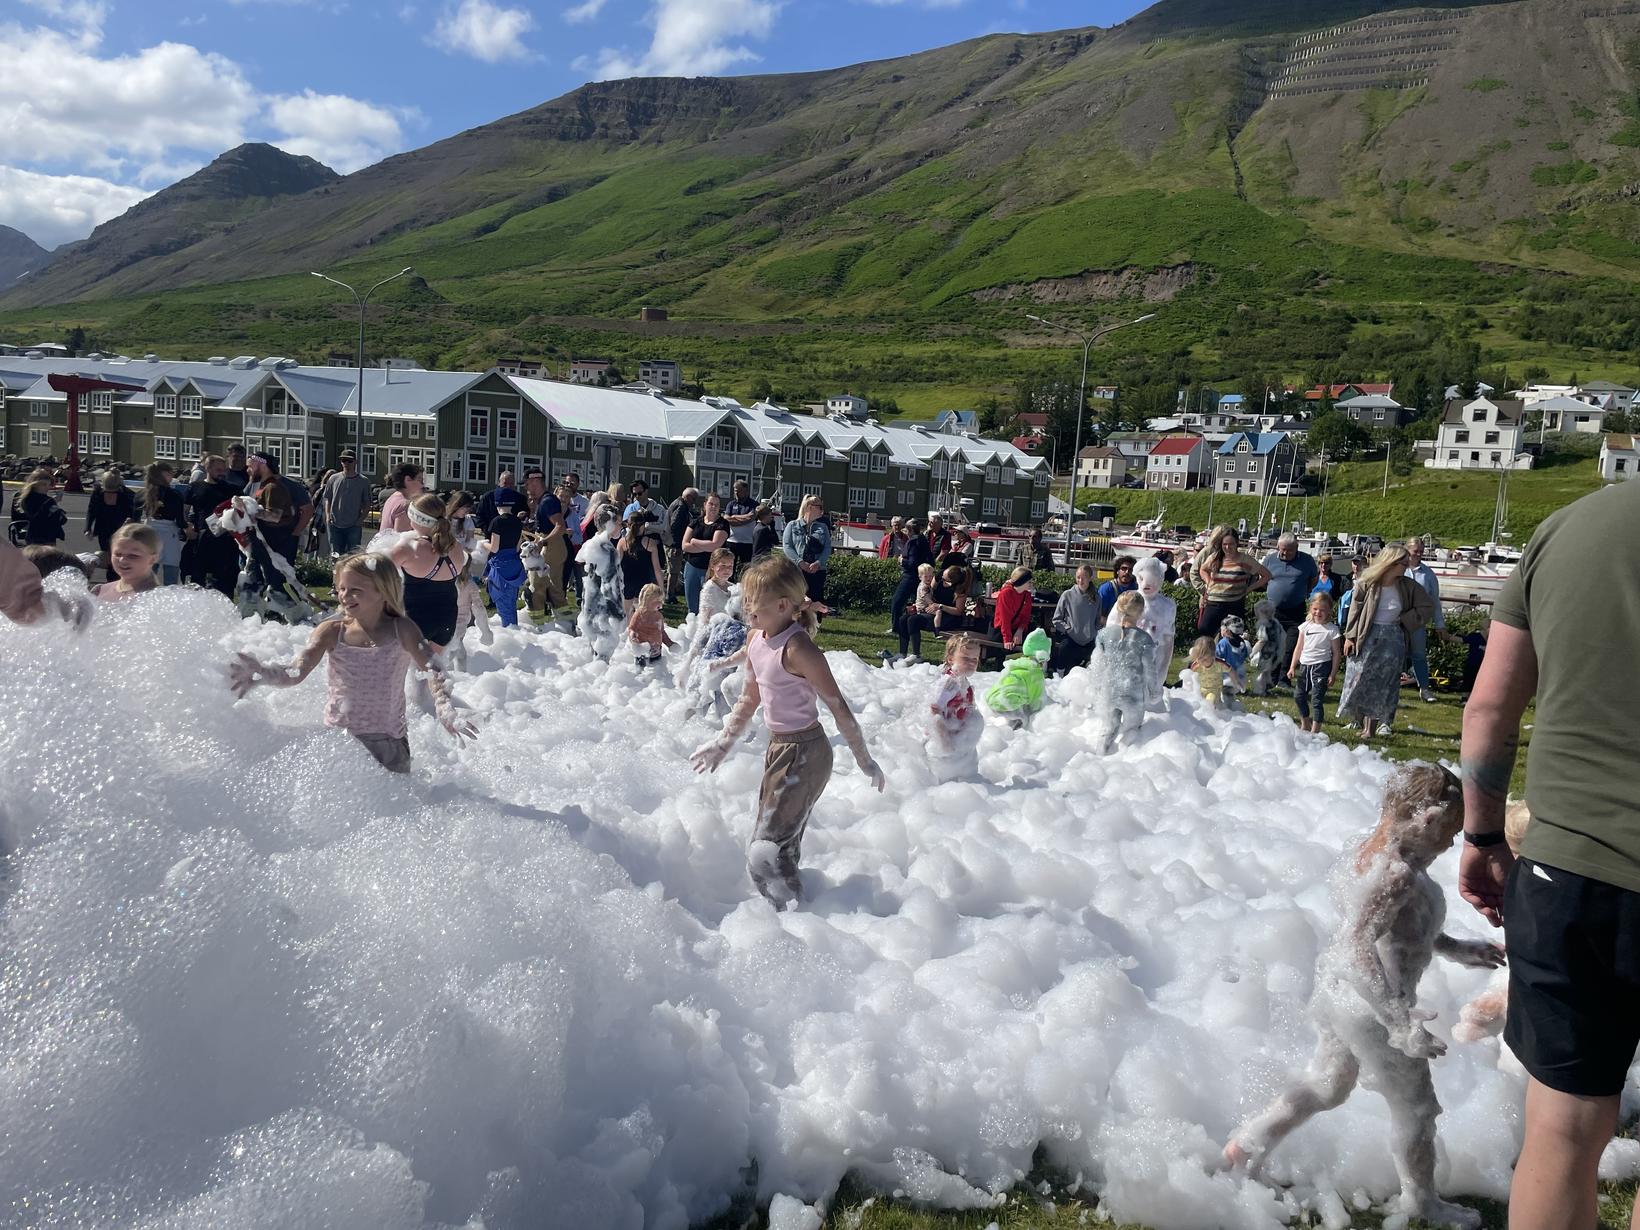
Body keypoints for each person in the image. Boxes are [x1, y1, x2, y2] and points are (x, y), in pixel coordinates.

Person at [1456, 476, 1640, 1230]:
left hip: (1570, 870)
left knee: (1561, 1129)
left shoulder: (1568, 529)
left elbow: (1490, 708)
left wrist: (1483, 836)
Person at [1224, 765, 1500, 1230]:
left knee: (1328, 1085)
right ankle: (1422, 1203)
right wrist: (1398, 1021)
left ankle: (1243, 1149)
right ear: (1426, 820)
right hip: (1370, 1007)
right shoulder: (1396, 874)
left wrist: (1455, 949)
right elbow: (1358, 945)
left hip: (1341, 995)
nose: (1452, 843)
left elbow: (1401, 933)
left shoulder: (1377, 854)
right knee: (1417, 1107)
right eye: (1450, 832)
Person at [692, 554, 884, 907]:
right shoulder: (756, 637)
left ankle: (794, 918)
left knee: (765, 850)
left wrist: (864, 759)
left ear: (783, 605)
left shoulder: (799, 650)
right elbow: (749, 701)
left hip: (808, 753)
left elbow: (838, 707)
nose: (747, 610)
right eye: (746, 601)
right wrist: (723, 743)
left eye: (754, 604)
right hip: (779, 748)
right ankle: (790, 914)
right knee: (777, 847)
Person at [227, 551, 476, 773]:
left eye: (356, 589)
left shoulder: (403, 629)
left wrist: (444, 707)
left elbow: (433, 669)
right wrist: (262, 673)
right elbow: (296, 671)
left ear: (383, 590)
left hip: (388, 741)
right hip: (338, 738)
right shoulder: (332, 631)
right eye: (342, 588)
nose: (345, 595)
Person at [1337, 544, 1435, 738]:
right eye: (1403, 563)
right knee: (1359, 679)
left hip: (1393, 638)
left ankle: (1371, 729)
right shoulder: (1367, 583)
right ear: (1390, 563)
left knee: (1383, 683)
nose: (1406, 567)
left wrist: (1406, 620)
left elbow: (1426, 607)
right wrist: (1350, 636)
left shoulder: (1408, 586)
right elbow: (1354, 611)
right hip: (1367, 635)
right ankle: (1357, 720)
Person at [385, 493, 466, 652]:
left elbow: (373, 569)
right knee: (434, 671)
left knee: (404, 673)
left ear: (414, 518)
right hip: (447, 621)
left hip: (415, 622)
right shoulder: (456, 547)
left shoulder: (409, 549)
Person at [1262, 533, 1319, 689]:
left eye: (1289, 550)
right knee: (1273, 644)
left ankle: (1284, 678)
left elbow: (1314, 580)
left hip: (1295, 610)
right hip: (1274, 610)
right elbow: (1263, 577)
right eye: (1282, 550)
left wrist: (1304, 591)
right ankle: (1271, 678)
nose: (1285, 553)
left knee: (1290, 646)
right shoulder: (1270, 560)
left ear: (1297, 548)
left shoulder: (1307, 561)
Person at [1193, 524, 1271, 636]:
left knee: (1232, 637)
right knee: (1204, 632)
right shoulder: (1215, 557)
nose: (1228, 547)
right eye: (1225, 544)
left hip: (1234, 604)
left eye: (1231, 544)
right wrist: (1208, 582)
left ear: (1237, 543)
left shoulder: (1245, 559)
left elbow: (1267, 575)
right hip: (1213, 602)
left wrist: (1249, 589)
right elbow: (1203, 570)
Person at [926, 633, 984, 784]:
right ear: (951, 659)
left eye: (975, 659)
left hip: (959, 739)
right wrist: (944, 742)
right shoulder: (949, 683)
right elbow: (934, 710)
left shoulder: (963, 681)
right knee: (944, 780)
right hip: (944, 742)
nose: (971, 663)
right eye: (965, 658)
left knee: (967, 777)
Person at [679, 548, 737, 687]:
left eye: (730, 566)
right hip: (711, 635)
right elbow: (705, 619)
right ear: (713, 566)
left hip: (728, 634)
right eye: (722, 566)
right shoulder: (709, 589)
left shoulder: (733, 587)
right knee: (704, 672)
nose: (727, 570)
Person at [187, 454, 242, 597]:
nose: (222, 473)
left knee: (225, 579)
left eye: (224, 470)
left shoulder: (233, 490)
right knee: (198, 576)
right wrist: (186, 526)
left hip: (226, 539)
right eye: (218, 470)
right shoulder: (195, 487)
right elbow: (185, 509)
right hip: (202, 538)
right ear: (208, 469)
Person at [1288, 592, 1343, 734]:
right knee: (1299, 695)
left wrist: (1333, 674)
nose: (1318, 612)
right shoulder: (1305, 627)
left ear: (1329, 611)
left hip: (1321, 667)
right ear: (1310, 609)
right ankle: (1305, 722)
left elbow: (1337, 653)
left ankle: (1315, 730)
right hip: (1305, 666)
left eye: (1322, 610)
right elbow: (1298, 647)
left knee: (1316, 699)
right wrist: (1293, 666)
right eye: (1315, 609)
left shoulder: (1332, 629)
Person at [1402, 537, 1445, 703]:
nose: (1419, 554)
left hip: (1417, 621)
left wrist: (1439, 624)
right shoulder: (1400, 569)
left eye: (1421, 551)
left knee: (1419, 654)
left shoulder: (1427, 574)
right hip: (1397, 619)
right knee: (1396, 654)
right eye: (1415, 551)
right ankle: (1391, 686)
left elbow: (1434, 601)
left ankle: (1424, 688)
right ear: (1408, 551)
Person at [984, 628, 1051, 730]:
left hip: (991, 700)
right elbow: (1036, 700)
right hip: (1007, 706)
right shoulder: (1035, 673)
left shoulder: (1018, 664)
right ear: (1043, 656)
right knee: (1023, 722)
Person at [890, 517, 934, 655]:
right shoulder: (923, 540)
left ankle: (897, 628)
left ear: (909, 530)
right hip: (919, 577)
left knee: (897, 602)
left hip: (910, 576)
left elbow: (913, 563)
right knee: (917, 604)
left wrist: (902, 561)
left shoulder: (914, 542)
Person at [525, 472, 567, 615]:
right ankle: (563, 621)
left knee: (539, 586)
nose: (526, 487)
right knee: (547, 587)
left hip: (550, 547)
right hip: (547, 545)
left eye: (527, 483)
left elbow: (560, 526)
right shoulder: (544, 500)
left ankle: (542, 624)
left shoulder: (547, 501)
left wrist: (543, 541)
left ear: (536, 482)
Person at [682, 492, 730, 615]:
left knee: (709, 607)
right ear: (705, 505)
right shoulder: (695, 522)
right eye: (711, 504)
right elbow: (685, 546)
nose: (713, 507)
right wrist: (706, 546)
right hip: (692, 568)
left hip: (711, 570)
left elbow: (715, 546)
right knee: (692, 607)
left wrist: (694, 541)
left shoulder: (722, 524)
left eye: (717, 505)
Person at [781, 493, 833, 607]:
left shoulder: (823, 527)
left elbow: (827, 547)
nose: (822, 510)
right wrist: (799, 561)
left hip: (817, 571)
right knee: (797, 600)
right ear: (809, 507)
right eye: (819, 507)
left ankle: (815, 624)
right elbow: (787, 546)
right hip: (797, 570)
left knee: (816, 600)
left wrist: (819, 563)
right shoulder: (792, 525)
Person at [85, 469, 137, 579]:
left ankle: (117, 578)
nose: (109, 493)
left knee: (118, 555)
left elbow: (135, 511)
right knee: (110, 557)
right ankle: (113, 580)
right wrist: (88, 528)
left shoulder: (127, 495)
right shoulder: (97, 493)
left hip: (121, 531)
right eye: (107, 491)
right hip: (103, 531)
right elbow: (91, 511)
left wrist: (131, 519)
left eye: (112, 491)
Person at [247, 451, 297, 565]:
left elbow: (275, 516)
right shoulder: (263, 486)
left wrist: (249, 510)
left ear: (262, 466)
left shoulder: (273, 487)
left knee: (274, 580)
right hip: (264, 543)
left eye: (250, 466)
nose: (248, 470)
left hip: (275, 544)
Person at [141, 464, 187, 586]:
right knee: (171, 573)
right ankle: (169, 599)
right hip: (169, 533)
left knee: (149, 572)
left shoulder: (144, 493)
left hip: (149, 532)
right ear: (165, 474)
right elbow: (180, 520)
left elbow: (134, 516)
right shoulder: (175, 495)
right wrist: (188, 529)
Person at [93, 523, 161, 601]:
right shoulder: (100, 591)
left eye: (133, 555)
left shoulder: (158, 599)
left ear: (153, 559)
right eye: (118, 554)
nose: (122, 560)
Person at [485, 503, 527, 628]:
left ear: (498, 507)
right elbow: (517, 546)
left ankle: (509, 632)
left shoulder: (497, 521)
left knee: (502, 602)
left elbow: (494, 548)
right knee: (511, 602)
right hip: (514, 564)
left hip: (500, 566)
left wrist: (482, 544)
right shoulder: (517, 521)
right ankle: (513, 629)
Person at [323, 450, 372, 557]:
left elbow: (367, 504)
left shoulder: (363, 481)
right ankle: (335, 573)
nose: (346, 464)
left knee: (353, 556)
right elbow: (327, 498)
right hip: (334, 524)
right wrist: (327, 516)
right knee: (335, 555)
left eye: (349, 461)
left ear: (355, 462)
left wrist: (360, 520)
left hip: (353, 525)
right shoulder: (333, 478)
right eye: (343, 460)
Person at [619, 511, 664, 616]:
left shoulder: (622, 543)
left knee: (627, 617)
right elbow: (657, 570)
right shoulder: (650, 543)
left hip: (627, 583)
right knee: (642, 617)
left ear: (628, 525)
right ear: (644, 526)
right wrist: (661, 589)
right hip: (644, 584)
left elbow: (616, 566)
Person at [12, 468, 66, 546]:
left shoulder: (29, 497)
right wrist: (52, 503)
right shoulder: (30, 498)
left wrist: (53, 503)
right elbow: (37, 516)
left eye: (48, 485)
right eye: (44, 484)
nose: (47, 487)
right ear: (35, 484)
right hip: (40, 534)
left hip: (33, 533)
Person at [897, 562, 939, 660]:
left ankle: (916, 654)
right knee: (903, 619)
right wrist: (933, 606)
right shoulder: (924, 587)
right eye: (926, 576)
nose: (929, 578)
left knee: (912, 620)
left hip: (924, 611)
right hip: (924, 609)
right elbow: (929, 602)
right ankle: (903, 652)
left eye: (931, 576)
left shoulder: (926, 585)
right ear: (920, 577)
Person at [626, 583, 674, 668]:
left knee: (657, 671)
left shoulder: (659, 616)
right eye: (657, 601)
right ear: (647, 601)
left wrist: (670, 644)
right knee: (642, 672)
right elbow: (631, 628)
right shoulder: (639, 614)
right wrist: (633, 638)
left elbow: (661, 632)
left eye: (661, 600)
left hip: (657, 651)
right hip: (642, 651)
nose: (661, 603)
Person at [665, 487, 699, 599]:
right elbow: (675, 526)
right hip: (674, 544)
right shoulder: (681, 507)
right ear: (688, 497)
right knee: (673, 571)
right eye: (693, 499)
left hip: (670, 542)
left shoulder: (678, 503)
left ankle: (671, 593)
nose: (694, 502)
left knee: (673, 570)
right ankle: (670, 595)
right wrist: (677, 546)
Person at [992, 566, 1034, 653]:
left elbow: (1026, 617)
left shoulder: (1027, 595)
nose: (1031, 584)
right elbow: (1004, 618)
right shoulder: (1006, 593)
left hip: (1017, 628)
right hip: (1002, 630)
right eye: (1029, 582)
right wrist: (1007, 639)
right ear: (1021, 582)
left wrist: (1020, 630)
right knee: (1007, 649)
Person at [380, 462, 424, 535]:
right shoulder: (405, 505)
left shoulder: (393, 497)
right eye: (420, 480)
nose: (422, 485)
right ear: (408, 480)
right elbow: (401, 539)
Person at [723, 479, 759, 567]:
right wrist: (744, 518)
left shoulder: (753, 504)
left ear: (746, 491)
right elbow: (726, 518)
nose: (737, 493)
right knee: (729, 566)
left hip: (748, 543)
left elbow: (751, 517)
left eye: (739, 491)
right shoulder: (731, 504)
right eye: (735, 491)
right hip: (731, 541)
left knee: (746, 568)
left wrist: (734, 517)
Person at [1188, 636, 1228, 707]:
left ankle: (1212, 713)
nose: (1202, 661)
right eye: (1199, 658)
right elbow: (1190, 675)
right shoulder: (1197, 664)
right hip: (1202, 689)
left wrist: (1237, 681)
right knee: (1199, 705)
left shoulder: (1218, 664)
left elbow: (1230, 670)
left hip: (1214, 690)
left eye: (1205, 659)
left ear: (1212, 655)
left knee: (1210, 702)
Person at [1216, 613, 1251, 693]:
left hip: (1228, 673)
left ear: (1227, 630)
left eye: (1222, 629)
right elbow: (1245, 654)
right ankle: (1238, 687)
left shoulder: (1224, 642)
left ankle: (1229, 687)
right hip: (1240, 674)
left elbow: (1217, 655)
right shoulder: (1242, 642)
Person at [1096, 556, 1137, 621]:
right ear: (1117, 571)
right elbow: (1098, 616)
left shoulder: (1136, 589)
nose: (1127, 572)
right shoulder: (1106, 589)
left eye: (1130, 569)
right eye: (1123, 568)